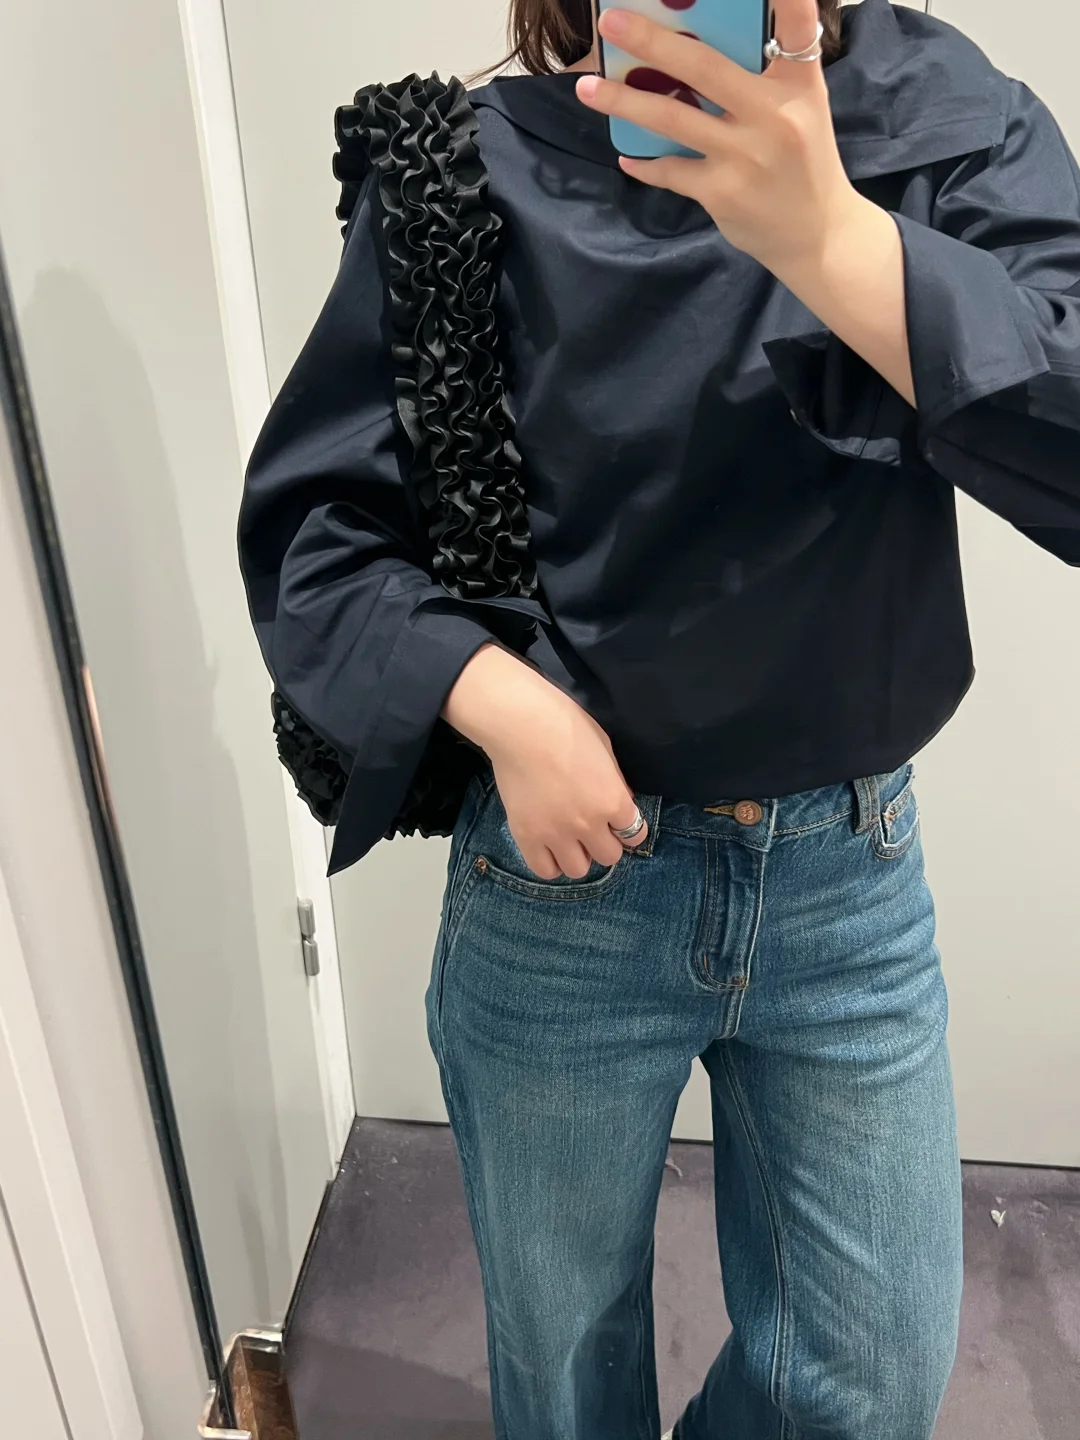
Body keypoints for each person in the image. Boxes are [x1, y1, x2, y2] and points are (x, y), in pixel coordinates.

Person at [239, 0, 1080, 1435]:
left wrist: (833, 239)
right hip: (562, 893)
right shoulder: (462, 168)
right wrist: (503, 706)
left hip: (846, 879)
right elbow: (321, 537)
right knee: (565, 1365)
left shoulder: (931, 112)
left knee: (870, 1377)